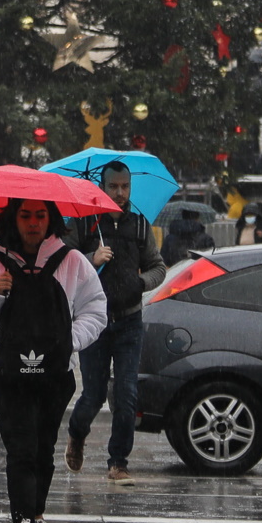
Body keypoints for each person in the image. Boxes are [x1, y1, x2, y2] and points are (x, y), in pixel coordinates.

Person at [0, 199, 107, 523]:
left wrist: (68, 341)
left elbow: (96, 309)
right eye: (25, 215)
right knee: (20, 446)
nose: (33, 223)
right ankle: (24, 520)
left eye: (40, 215)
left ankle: (38, 515)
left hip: (55, 374)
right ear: (14, 218)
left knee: (43, 448)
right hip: (6, 374)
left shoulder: (72, 262)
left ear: (50, 219)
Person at [65, 163, 166, 484]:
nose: (120, 193)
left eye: (125, 186)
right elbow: (62, 259)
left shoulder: (139, 226)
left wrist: (141, 283)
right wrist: (89, 258)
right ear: (102, 187)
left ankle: (118, 462)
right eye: (114, 187)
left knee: (126, 393)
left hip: (129, 320)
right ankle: (76, 434)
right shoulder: (83, 224)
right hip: (93, 322)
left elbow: (158, 267)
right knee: (93, 395)